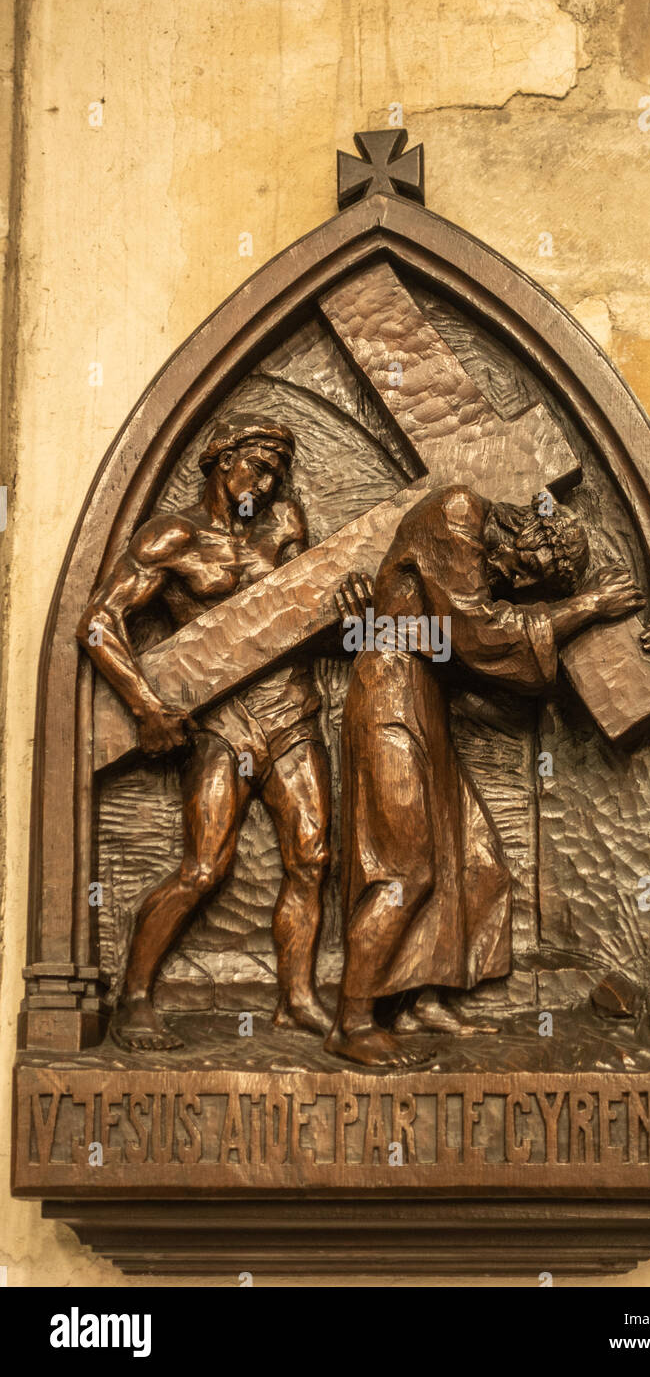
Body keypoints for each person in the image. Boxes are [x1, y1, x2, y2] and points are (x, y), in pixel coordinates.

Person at [326, 483, 650, 1068]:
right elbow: (478, 631)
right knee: (405, 868)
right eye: (526, 568)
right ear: (523, 529)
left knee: (474, 861)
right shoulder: (455, 512)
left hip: (424, 697)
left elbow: (504, 661)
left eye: (533, 584)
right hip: (388, 689)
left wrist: (643, 648)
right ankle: (352, 1020)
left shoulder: (489, 565)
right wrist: (586, 607)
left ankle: (416, 998)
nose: (520, 581)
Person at [79, 413, 368, 1050]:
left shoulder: (287, 525)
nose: (265, 485)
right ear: (221, 457)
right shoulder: (173, 536)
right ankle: (135, 997)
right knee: (206, 867)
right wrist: (146, 706)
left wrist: (353, 619)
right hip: (222, 724)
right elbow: (99, 622)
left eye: (276, 474)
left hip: (292, 710)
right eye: (257, 467)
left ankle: (295, 999)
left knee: (312, 860)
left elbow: (318, 625)